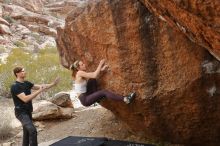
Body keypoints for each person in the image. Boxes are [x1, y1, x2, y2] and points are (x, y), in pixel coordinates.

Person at [10, 66, 60, 146]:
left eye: (24, 70)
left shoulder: (26, 83)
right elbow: (25, 99)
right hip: (21, 113)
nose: (24, 72)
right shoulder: (15, 86)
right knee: (32, 130)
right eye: (22, 71)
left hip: (28, 110)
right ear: (17, 73)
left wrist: (53, 84)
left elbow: (42, 86)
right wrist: (39, 91)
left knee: (26, 133)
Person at [69, 59, 136, 107]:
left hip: (86, 94)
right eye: (82, 64)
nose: (84, 65)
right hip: (85, 99)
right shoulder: (80, 73)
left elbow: (92, 74)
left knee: (92, 80)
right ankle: (126, 99)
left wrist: (102, 69)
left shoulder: (81, 73)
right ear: (78, 68)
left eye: (83, 63)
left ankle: (97, 97)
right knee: (104, 92)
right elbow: (94, 74)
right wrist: (100, 64)